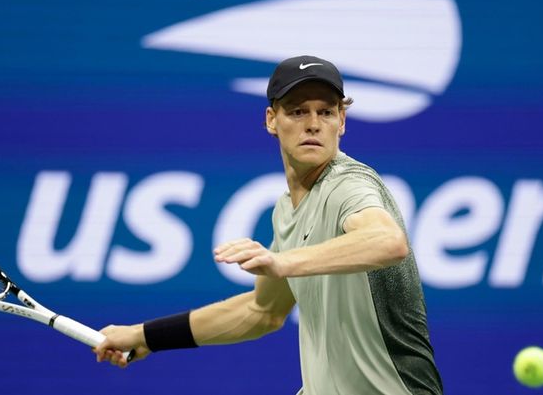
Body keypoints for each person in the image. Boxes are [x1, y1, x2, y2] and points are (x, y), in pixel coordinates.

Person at [94, 55, 443, 395]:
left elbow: (387, 241)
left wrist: (282, 262)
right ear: (271, 120)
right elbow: (261, 312)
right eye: (297, 111)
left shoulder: (349, 184)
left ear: (342, 122)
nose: (313, 123)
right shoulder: (287, 209)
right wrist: (145, 335)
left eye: (326, 112)